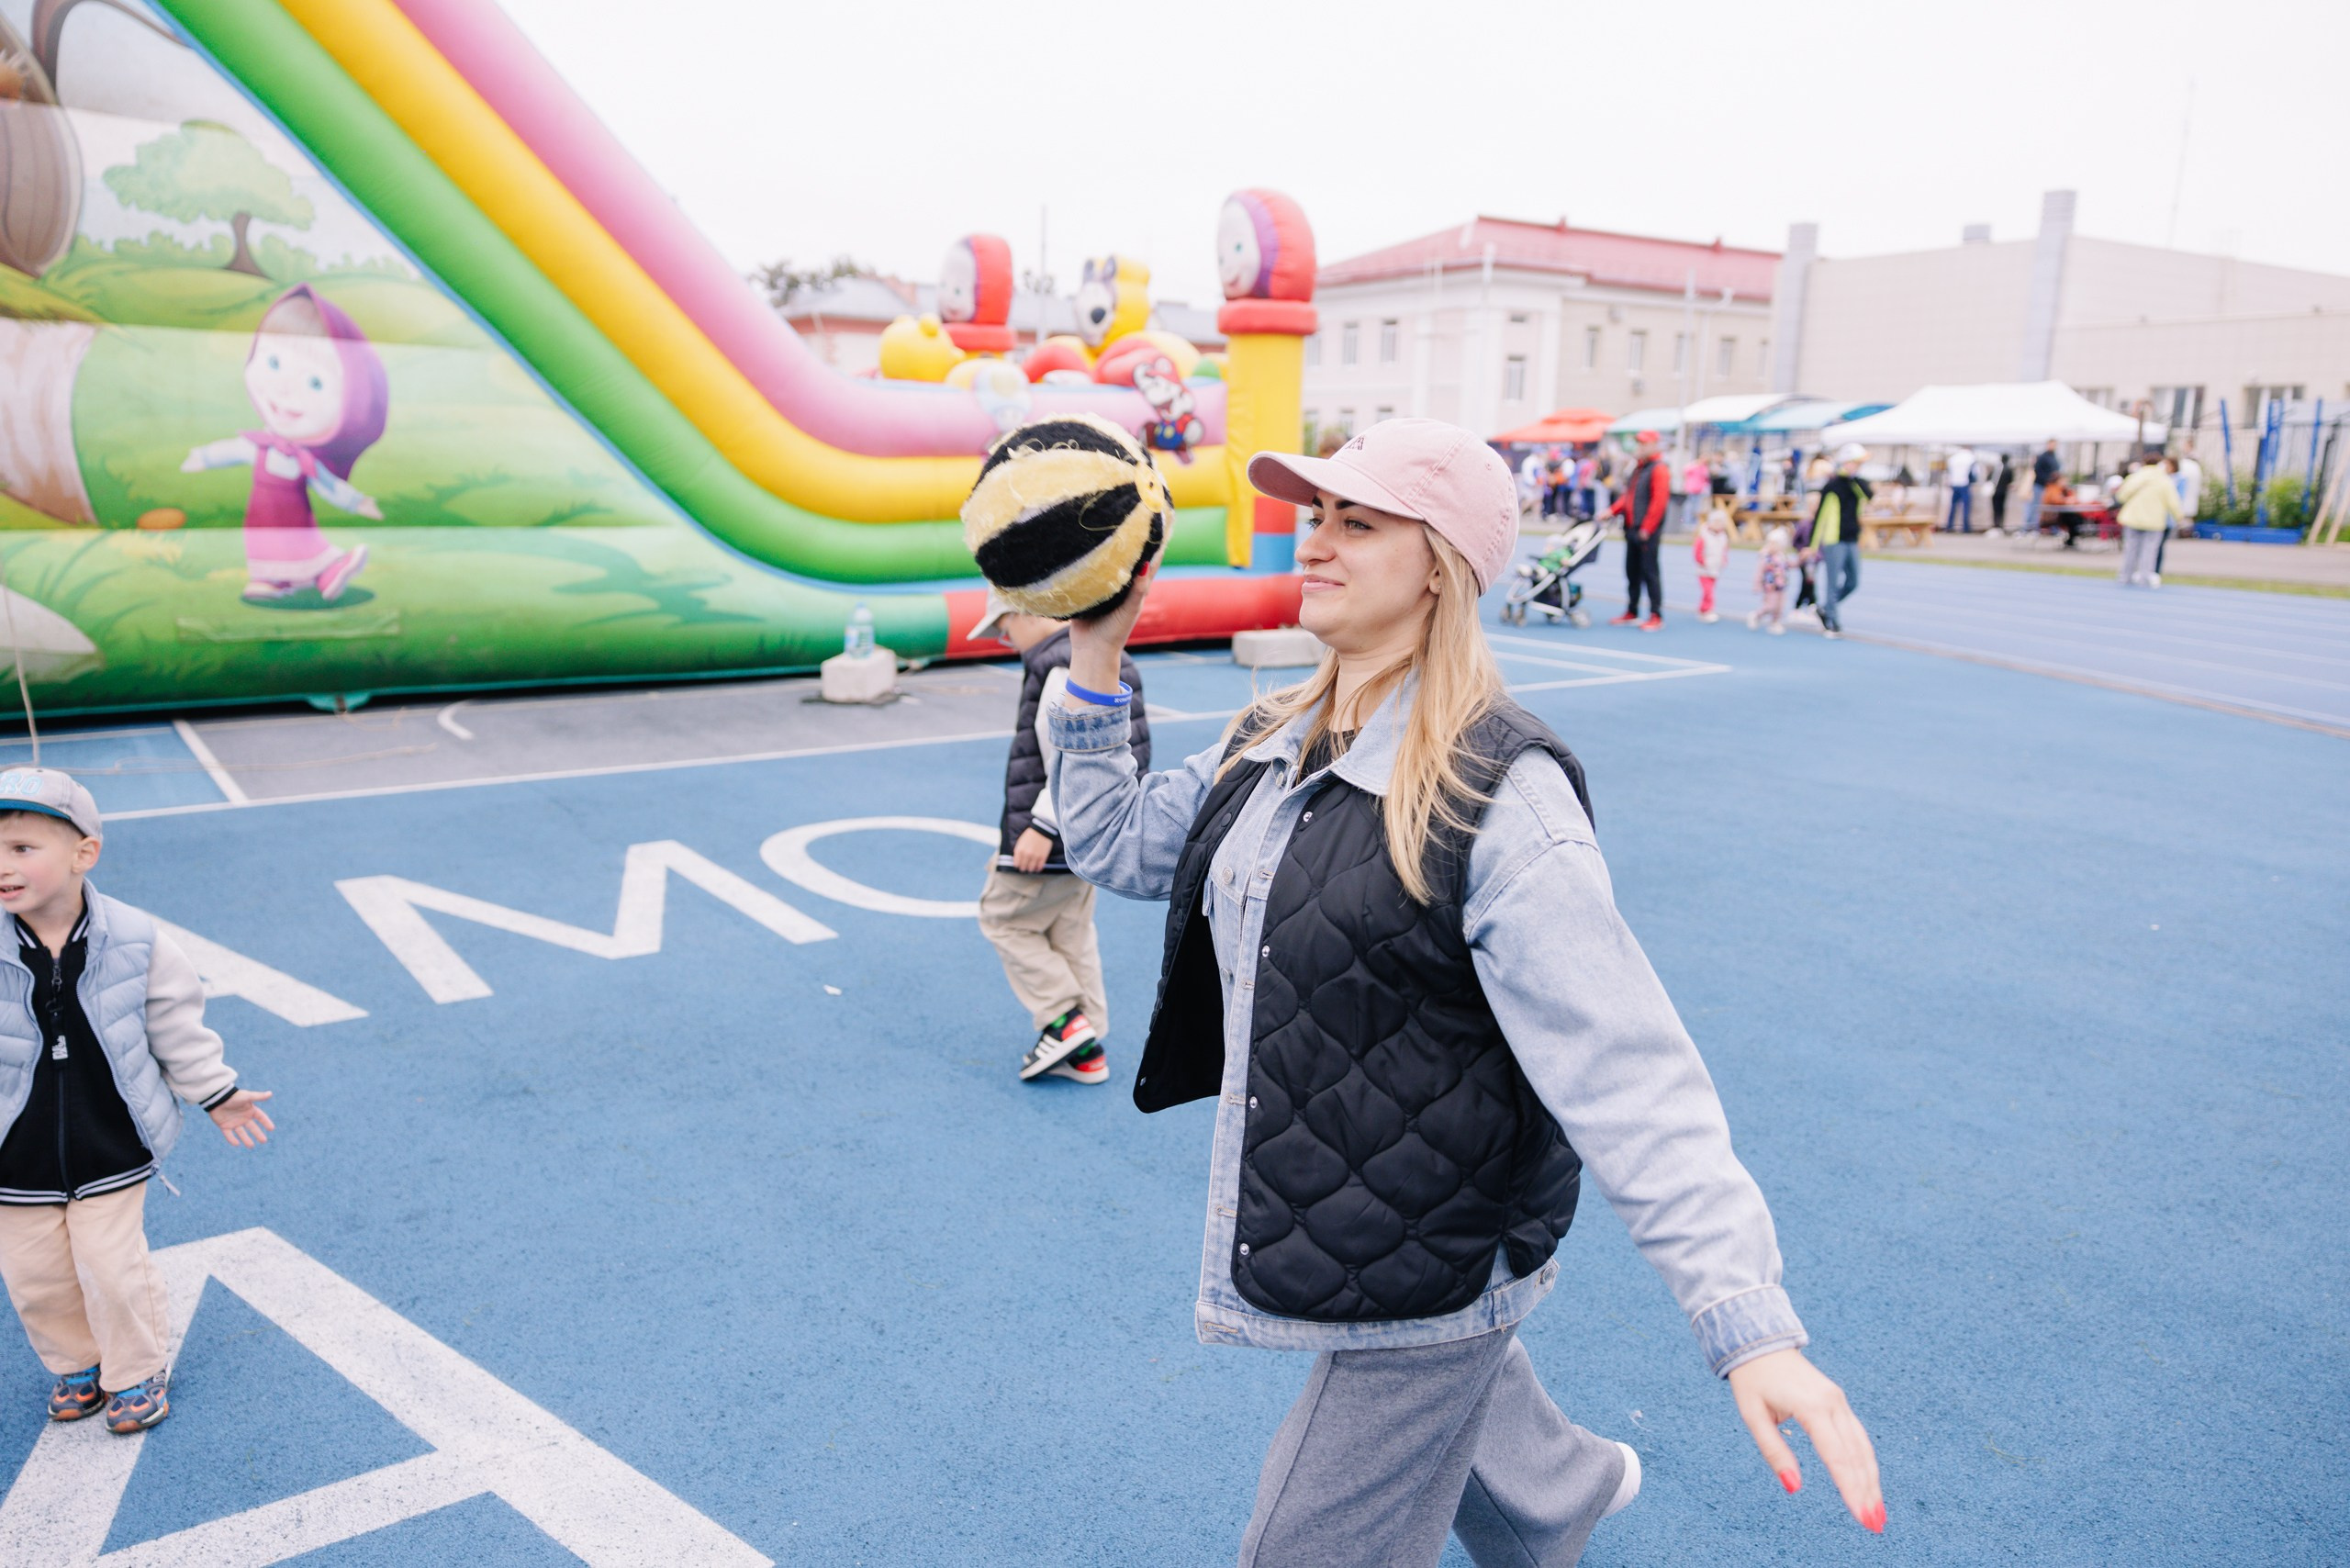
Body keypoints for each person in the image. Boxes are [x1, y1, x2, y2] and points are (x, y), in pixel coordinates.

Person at [1043, 418, 1883, 1566]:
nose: (1316, 543)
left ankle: (1547, 1478)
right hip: (1362, 1213)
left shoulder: (1498, 799)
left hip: (1439, 1248)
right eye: (1316, 516)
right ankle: (1560, 1493)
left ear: (1437, 563)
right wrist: (1094, 652)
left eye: (1359, 522)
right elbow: (1122, 845)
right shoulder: (1271, 734)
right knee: (1475, 1430)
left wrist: (1748, 1326)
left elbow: (1626, 1069)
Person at [0, 768, 275, 1435]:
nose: (2, 867)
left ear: (83, 854)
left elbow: (174, 1024)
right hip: (16, 1153)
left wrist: (216, 1092)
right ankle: (77, 1362)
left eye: (21, 848)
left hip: (110, 1138)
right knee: (34, 1276)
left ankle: (135, 1368)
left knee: (110, 1267)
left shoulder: (136, 939)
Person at [972, 596, 1150, 1084]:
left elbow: (1067, 754)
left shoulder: (1058, 665)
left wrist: (1041, 827)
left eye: (1006, 626)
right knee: (1071, 930)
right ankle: (1086, 1045)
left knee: (1003, 919)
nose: (1006, 639)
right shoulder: (1101, 655)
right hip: (1093, 832)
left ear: (1031, 612)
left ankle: (1063, 1020)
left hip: (1056, 829)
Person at [1607, 431, 1672, 630]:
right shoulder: (1639, 468)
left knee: (1650, 572)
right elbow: (1629, 497)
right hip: (1632, 528)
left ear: (1654, 445)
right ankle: (1632, 610)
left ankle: (1655, 614)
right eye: (1638, 445)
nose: (1638, 449)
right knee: (1631, 571)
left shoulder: (1659, 469)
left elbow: (1659, 503)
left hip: (1646, 532)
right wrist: (1611, 510)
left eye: (1643, 445)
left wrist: (1647, 527)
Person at [1807, 442, 1870, 640]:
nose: (1857, 467)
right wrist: (1813, 545)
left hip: (1852, 538)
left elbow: (1867, 496)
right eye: (1855, 463)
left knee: (1853, 581)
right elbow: (1821, 516)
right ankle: (1832, 619)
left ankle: (1825, 608)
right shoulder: (1832, 486)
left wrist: (1853, 479)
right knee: (1832, 583)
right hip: (1834, 539)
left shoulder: (1857, 484)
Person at [2114, 457, 2184, 588]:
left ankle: (2125, 576)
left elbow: (2122, 495)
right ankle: (2145, 577)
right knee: (2149, 551)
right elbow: (2173, 501)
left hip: (2133, 517)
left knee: (2130, 549)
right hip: (2154, 520)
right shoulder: (2164, 480)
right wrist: (2179, 517)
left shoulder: (2136, 477)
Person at [1749, 524, 1794, 633]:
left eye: (1776, 544)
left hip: (1781, 585)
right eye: (1771, 543)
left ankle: (1775, 622)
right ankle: (1757, 615)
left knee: (1780, 606)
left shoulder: (1782, 556)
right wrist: (1757, 584)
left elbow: (1789, 565)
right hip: (1770, 586)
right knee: (1770, 605)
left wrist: (1801, 561)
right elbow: (1759, 572)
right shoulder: (1766, 557)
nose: (1773, 546)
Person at [1693, 502, 1730, 622]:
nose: (1718, 525)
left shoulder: (1723, 537)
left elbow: (1724, 550)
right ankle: (1708, 610)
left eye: (1721, 523)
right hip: (1704, 569)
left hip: (1715, 568)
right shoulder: (1703, 536)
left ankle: (1702, 608)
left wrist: (1723, 560)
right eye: (1716, 522)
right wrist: (1702, 561)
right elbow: (1697, 551)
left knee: (1710, 590)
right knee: (1708, 591)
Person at [2023, 440, 2061, 535]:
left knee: (2048, 508)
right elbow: (2037, 470)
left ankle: (2048, 527)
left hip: (2049, 486)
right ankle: (2031, 527)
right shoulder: (2043, 457)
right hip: (2040, 485)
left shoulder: (2054, 457)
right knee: (2036, 507)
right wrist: (2047, 479)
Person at [1942, 445, 1976, 532]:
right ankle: (1966, 528)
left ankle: (1949, 526)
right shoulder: (1971, 458)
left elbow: (1948, 472)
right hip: (1964, 484)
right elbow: (1973, 474)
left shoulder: (1953, 458)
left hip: (1954, 484)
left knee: (1953, 507)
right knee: (1966, 507)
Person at [1681, 451, 1712, 533]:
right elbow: (1685, 472)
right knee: (1689, 506)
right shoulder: (1693, 465)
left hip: (1700, 490)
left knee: (1697, 507)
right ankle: (1687, 522)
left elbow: (1707, 477)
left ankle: (1694, 523)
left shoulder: (1704, 467)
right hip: (1691, 489)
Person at [1989, 452, 2015, 534]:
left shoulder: (1997, 468)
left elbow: (1989, 478)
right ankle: (2000, 524)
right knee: (2001, 509)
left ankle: (1995, 524)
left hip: (1995, 491)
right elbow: (2011, 481)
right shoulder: (2009, 469)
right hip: (2003, 491)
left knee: (1995, 508)